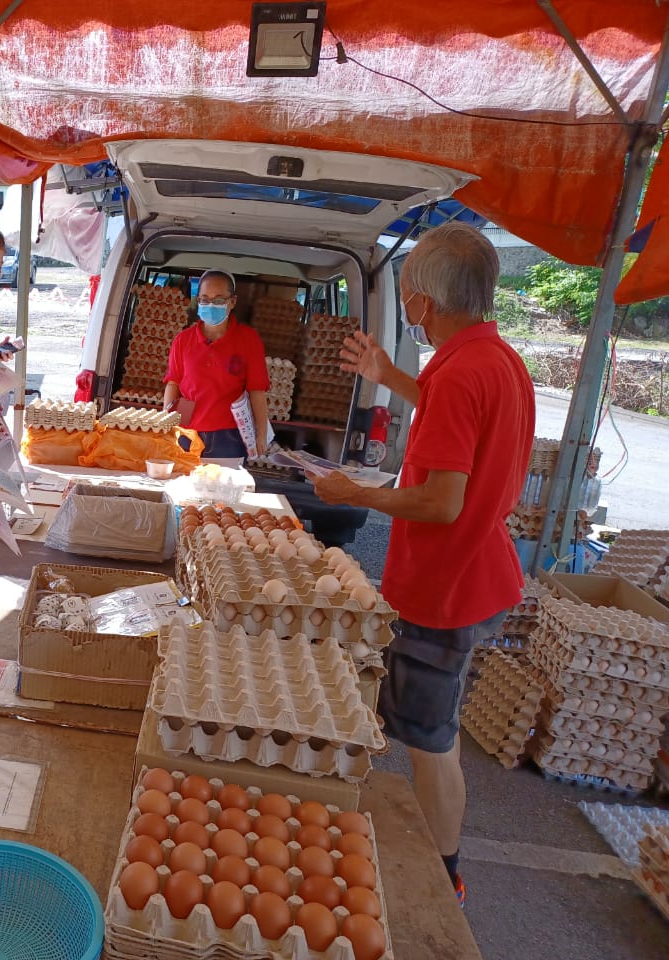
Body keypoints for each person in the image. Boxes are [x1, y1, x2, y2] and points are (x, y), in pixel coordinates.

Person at [309, 223, 534, 906]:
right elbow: (450, 409)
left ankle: (445, 875)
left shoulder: (461, 373)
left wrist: (357, 492)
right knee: (425, 722)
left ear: (423, 303)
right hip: (476, 571)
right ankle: (426, 852)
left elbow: (440, 501)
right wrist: (389, 377)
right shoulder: (496, 359)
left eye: (407, 296)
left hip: (447, 584)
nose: (407, 308)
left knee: (431, 738)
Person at [162, 270, 270, 459]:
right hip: (187, 434)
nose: (210, 305)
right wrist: (166, 425)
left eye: (219, 300)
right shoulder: (183, 340)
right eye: (205, 299)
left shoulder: (248, 339)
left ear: (232, 302)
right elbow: (173, 383)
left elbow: (257, 390)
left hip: (229, 437)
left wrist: (261, 435)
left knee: (223, 487)